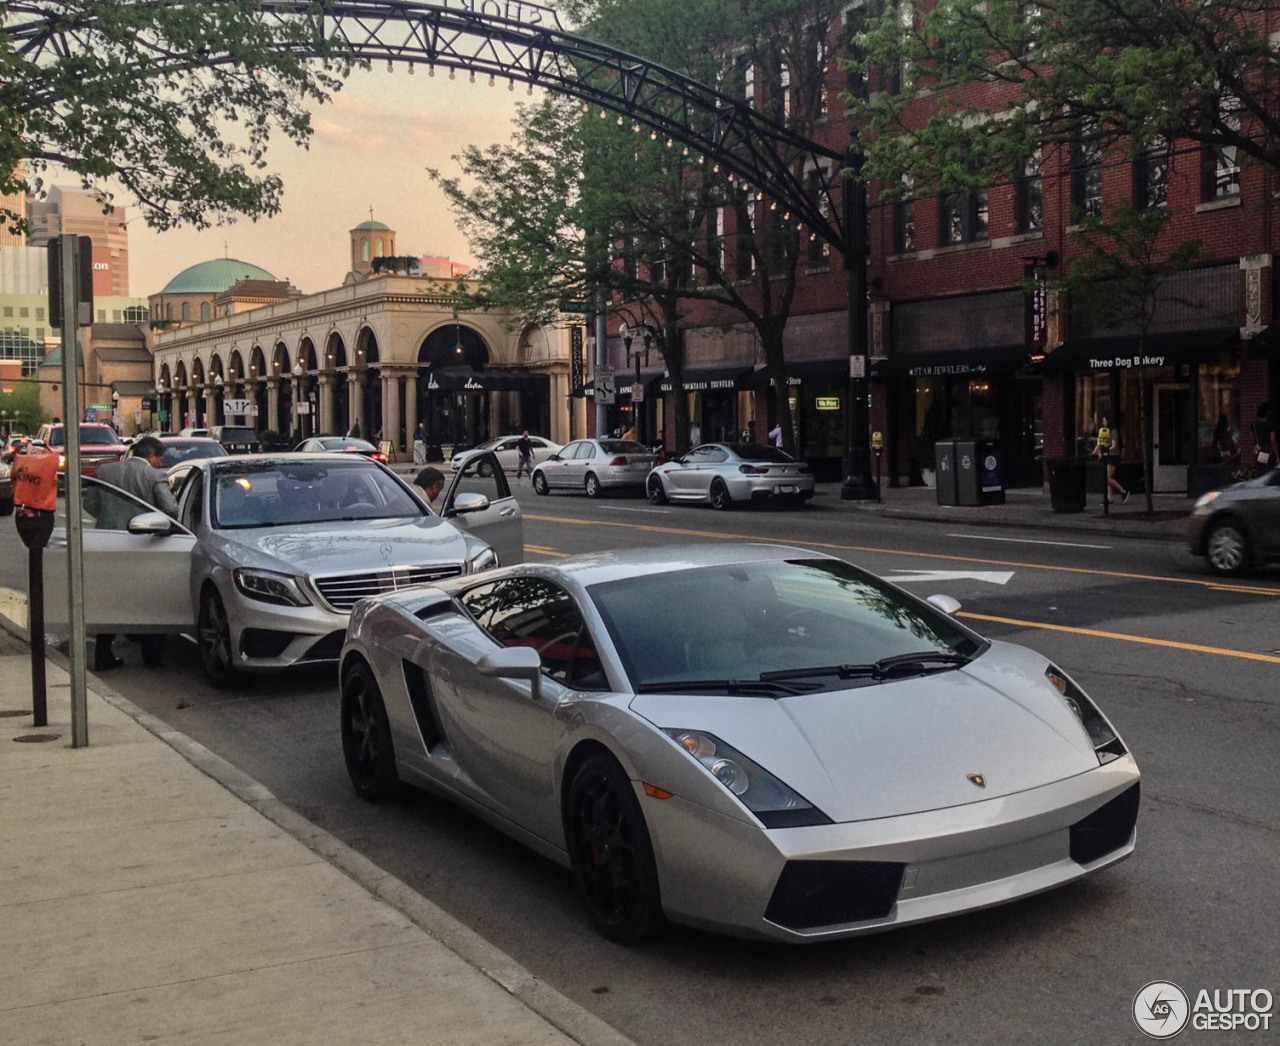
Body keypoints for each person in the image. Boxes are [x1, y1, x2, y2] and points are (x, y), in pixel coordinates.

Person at [92, 437, 179, 671]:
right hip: (144, 543)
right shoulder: (154, 476)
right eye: (159, 460)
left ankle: (102, 654)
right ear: (151, 456)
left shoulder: (106, 471)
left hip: (108, 542)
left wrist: (109, 515)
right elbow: (171, 509)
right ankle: (151, 657)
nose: (159, 465)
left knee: (110, 600)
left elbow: (89, 502)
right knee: (150, 598)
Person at [1092, 413, 1129, 505]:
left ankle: (1123, 491)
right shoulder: (1103, 432)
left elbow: (1114, 445)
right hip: (1108, 456)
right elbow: (1099, 443)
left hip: (1113, 456)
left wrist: (1106, 450)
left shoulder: (1113, 432)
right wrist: (1094, 452)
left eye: (1105, 420)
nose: (1103, 422)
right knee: (1107, 478)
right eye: (1103, 420)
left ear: (1109, 421)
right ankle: (1110, 498)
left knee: (1107, 477)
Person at [1253, 403, 1279, 475]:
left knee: (1260, 471)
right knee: (1270, 472)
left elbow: (1253, 439)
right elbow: (1273, 441)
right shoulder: (1271, 425)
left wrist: (1255, 448)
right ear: (1267, 412)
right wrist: (1277, 456)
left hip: (1259, 450)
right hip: (1269, 450)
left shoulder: (1254, 424)